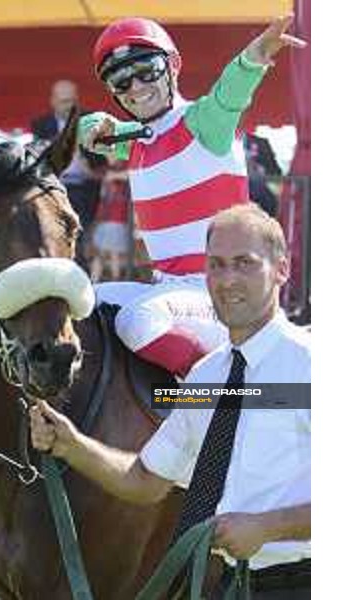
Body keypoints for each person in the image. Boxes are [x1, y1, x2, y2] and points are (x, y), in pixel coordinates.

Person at [30, 203, 311, 599]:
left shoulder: (310, 365)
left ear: (281, 269)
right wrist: (71, 444)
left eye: (244, 263)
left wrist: (268, 527)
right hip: (234, 586)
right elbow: (145, 480)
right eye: (216, 265)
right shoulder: (206, 378)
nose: (227, 279)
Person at [78, 15, 306, 378]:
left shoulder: (204, 121)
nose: (135, 86)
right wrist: (92, 125)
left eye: (146, 70)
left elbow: (231, 91)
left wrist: (256, 55)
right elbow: (88, 128)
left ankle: (220, 393)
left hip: (220, 292)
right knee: (80, 301)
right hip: (171, 293)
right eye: (120, 80)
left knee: (139, 320)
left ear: (173, 66)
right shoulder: (136, 140)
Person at [31, 80, 107, 270]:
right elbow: (36, 158)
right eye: (64, 101)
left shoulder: (90, 121)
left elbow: (102, 161)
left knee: (78, 241)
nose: (69, 106)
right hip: (53, 188)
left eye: (72, 101)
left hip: (84, 188)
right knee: (49, 237)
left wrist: (86, 159)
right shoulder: (41, 125)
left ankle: (80, 281)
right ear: (53, 101)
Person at [90, 159, 131, 281]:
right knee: (102, 254)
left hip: (117, 217)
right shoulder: (110, 169)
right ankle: (95, 280)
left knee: (113, 254)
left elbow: (127, 175)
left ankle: (112, 280)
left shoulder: (123, 166)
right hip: (106, 217)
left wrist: (112, 175)